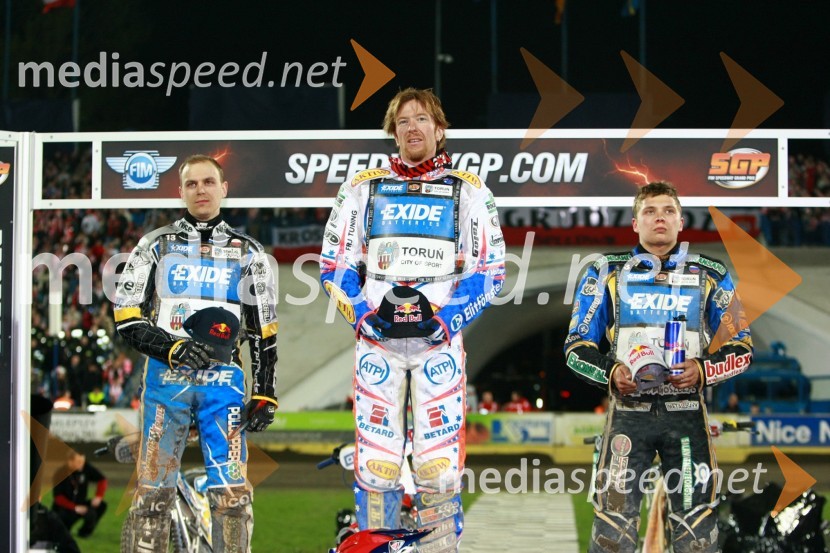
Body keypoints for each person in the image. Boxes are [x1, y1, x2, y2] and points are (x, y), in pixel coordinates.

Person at [320, 87, 505, 552]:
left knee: (437, 464)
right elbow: (334, 264)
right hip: (377, 343)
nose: (413, 128)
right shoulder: (363, 186)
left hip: (438, 343)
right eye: (403, 122)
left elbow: (489, 270)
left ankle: (440, 547)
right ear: (393, 131)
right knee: (377, 459)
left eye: (422, 119)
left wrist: (447, 319)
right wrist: (362, 315)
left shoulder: (468, 189)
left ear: (439, 130)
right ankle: (377, 546)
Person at [564, 181, 753, 553]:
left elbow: (742, 347)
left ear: (681, 221)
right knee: (612, 529)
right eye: (649, 211)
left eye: (667, 211)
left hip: (686, 416)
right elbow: (575, 347)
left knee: (696, 528)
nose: (659, 218)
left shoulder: (710, 273)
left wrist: (703, 369)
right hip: (628, 415)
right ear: (635, 223)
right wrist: (611, 373)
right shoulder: (605, 271)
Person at [114, 154, 279, 553]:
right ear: (181, 191)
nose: (200, 190)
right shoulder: (154, 244)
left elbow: (264, 330)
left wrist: (266, 391)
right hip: (164, 381)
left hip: (223, 386)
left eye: (208, 182)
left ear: (223, 188)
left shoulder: (251, 252)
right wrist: (172, 348)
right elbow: (124, 315)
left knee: (232, 497)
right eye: (192, 184)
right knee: (153, 496)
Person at [52, 451, 108, 538]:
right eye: (78, 462)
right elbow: (58, 498)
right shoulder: (60, 474)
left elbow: (102, 479)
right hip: (65, 507)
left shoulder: (85, 468)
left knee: (100, 507)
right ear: (69, 462)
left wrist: (98, 496)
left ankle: (84, 532)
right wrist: (74, 507)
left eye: (82, 461)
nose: (81, 464)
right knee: (63, 530)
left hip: (81, 503)